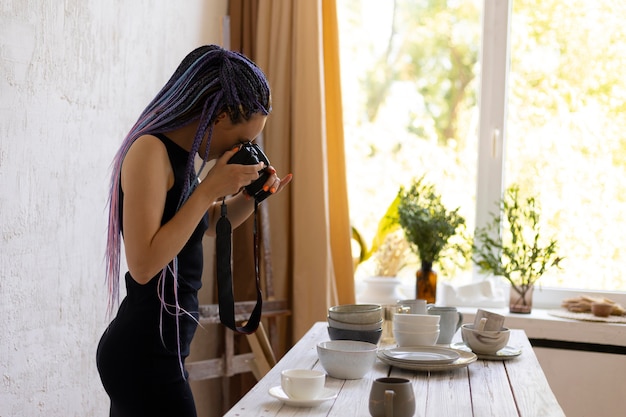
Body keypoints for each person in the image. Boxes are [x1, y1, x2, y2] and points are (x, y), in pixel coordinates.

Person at [96, 44, 292, 417]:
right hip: (144, 356)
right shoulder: (149, 151)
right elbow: (143, 264)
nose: (243, 151)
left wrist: (254, 197)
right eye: (242, 141)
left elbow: (201, 226)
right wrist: (207, 190)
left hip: (163, 351)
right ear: (218, 117)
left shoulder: (185, 159)